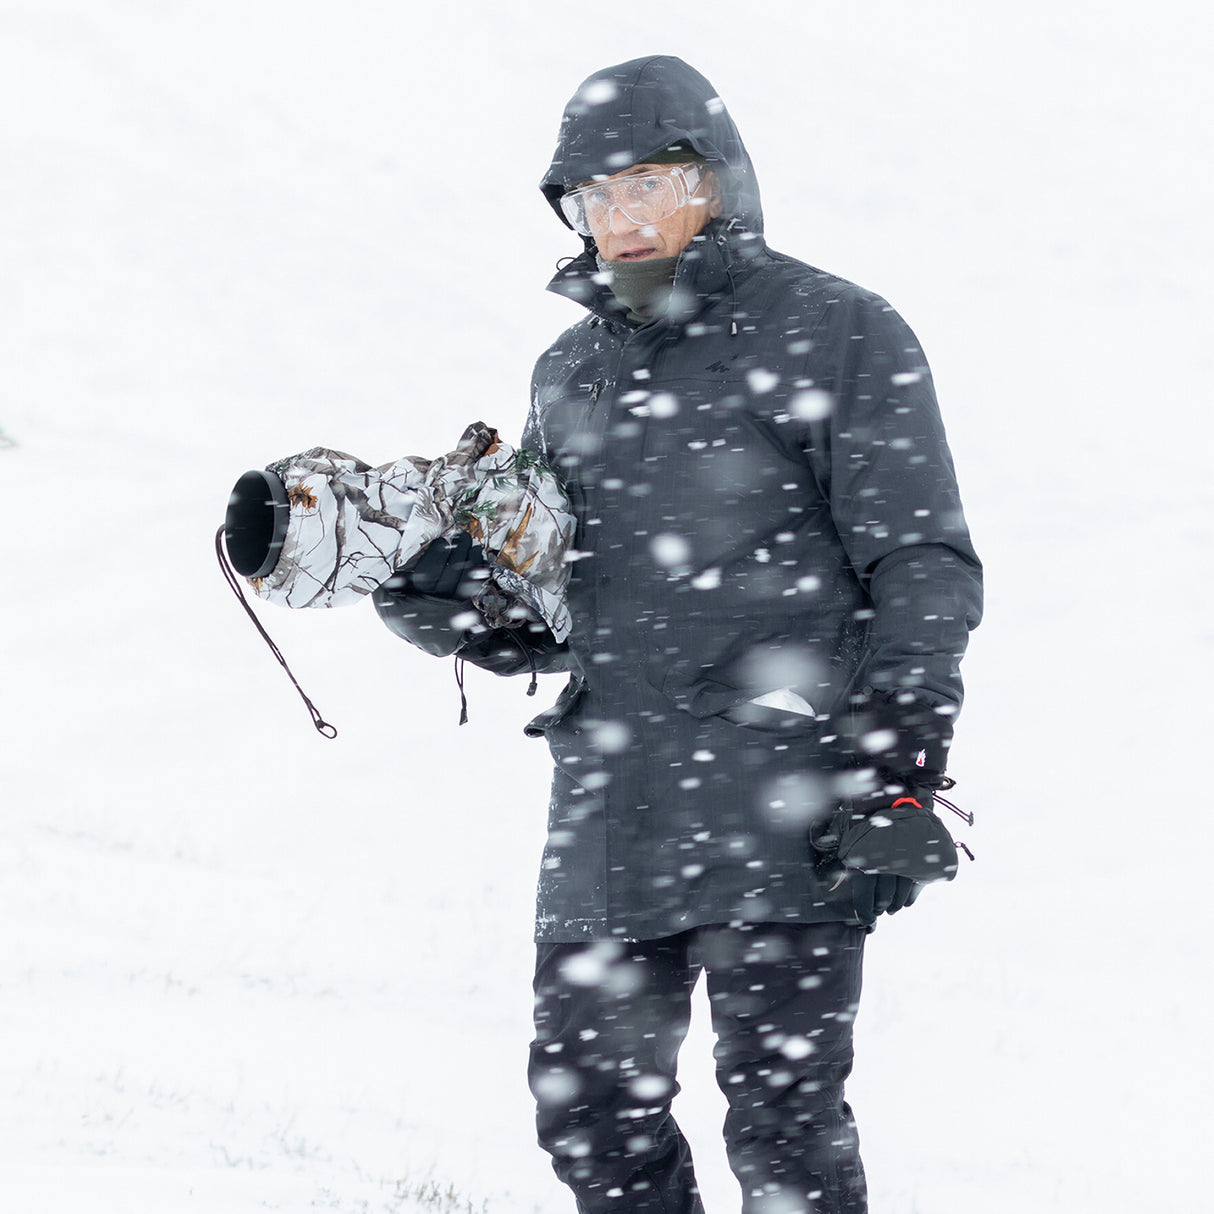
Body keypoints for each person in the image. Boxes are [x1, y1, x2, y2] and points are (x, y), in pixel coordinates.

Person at [373, 55, 982, 1214]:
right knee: (585, 1111)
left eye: (644, 185)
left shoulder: (836, 330)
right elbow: (558, 605)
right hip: (612, 800)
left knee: (781, 1122)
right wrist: (456, 603)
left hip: (788, 791)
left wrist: (894, 763)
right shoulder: (569, 371)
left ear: (716, 180)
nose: (619, 220)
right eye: (592, 200)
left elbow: (921, 562)